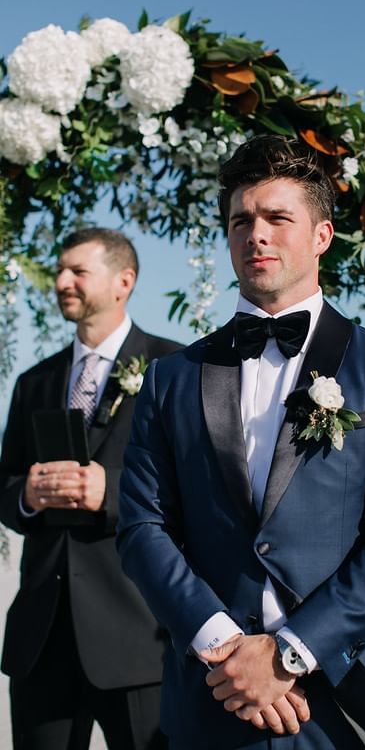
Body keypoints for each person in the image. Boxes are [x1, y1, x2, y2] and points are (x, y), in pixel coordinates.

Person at [117, 136, 365, 750]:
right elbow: (142, 526)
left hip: (350, 698)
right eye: (241, 220)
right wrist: (221, 645)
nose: (256, 234)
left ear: (321, 236)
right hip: (216, 694)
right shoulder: (170, 378)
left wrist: (290, 653)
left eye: (277, 218)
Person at [0, 228, 182, 750]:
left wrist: (114, 491)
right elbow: (5, 484)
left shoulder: (175, 369)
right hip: (41, 641)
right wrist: (26, 496)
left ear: (124, 281)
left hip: (139, 637)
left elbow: (201, 490)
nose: (61, 282)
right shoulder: (33, 381)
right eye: (60, 271)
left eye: (78, 271)